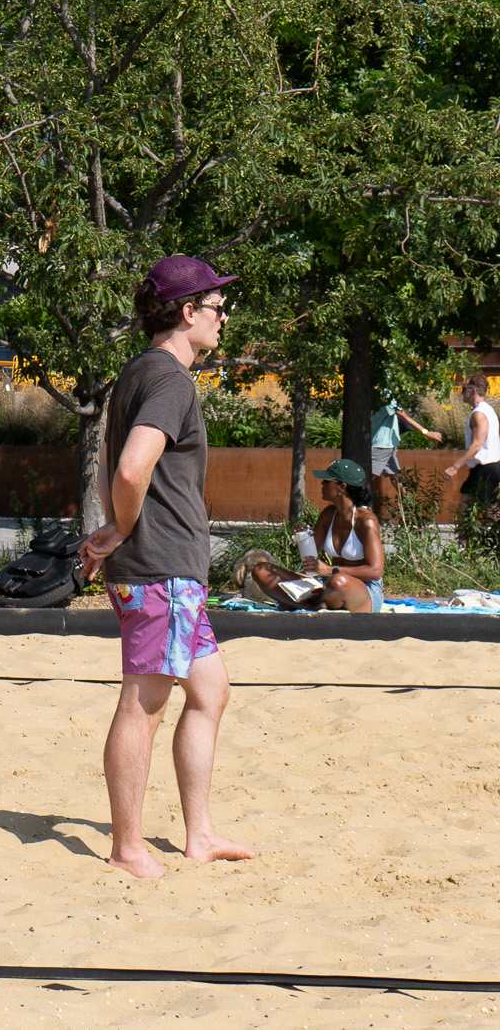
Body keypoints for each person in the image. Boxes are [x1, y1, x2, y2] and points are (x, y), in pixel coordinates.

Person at [79, 256, 252, 879]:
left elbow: (106, 459)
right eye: (215, 305)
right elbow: (129, 468)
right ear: (186, 313)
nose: (222, 314)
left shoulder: (137, 373)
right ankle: (127, 845)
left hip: (165, 569)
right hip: (161, 570)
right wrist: (121, 528)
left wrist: (108, 530)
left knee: (209, 690)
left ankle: (198, 833)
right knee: (144, 703)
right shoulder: (172, 379)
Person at [240, 459, 385, 613]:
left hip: (361, 591)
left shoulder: (366, 520)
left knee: (339, 582)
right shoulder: (329, 514)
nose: (321, 484)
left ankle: (308, 604)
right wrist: (304, 539)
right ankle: (315, 606)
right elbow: (310, 563)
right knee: (262, 570)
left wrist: (330, 570)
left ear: (342, 487)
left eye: (326, 481)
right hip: (328, 586)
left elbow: (375, 571)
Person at [369, 396, 441, 515]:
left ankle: (410, 512)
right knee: (368, 480)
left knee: (396, 478)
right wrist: (427, 433)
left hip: (387, 445)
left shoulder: (371, 393)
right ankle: (355, 509)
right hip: (381, 445)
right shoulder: (385, 394)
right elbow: (404, 416)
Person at [442, 375, 500, 504]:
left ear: (473, 391)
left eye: (464, 388)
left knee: (489, 512)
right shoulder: (487, 410)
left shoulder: (479, 414)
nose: (461, 392)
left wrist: (454, 467)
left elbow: (476, 445)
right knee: (467, 504)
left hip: (486, 468)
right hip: (484, 468)